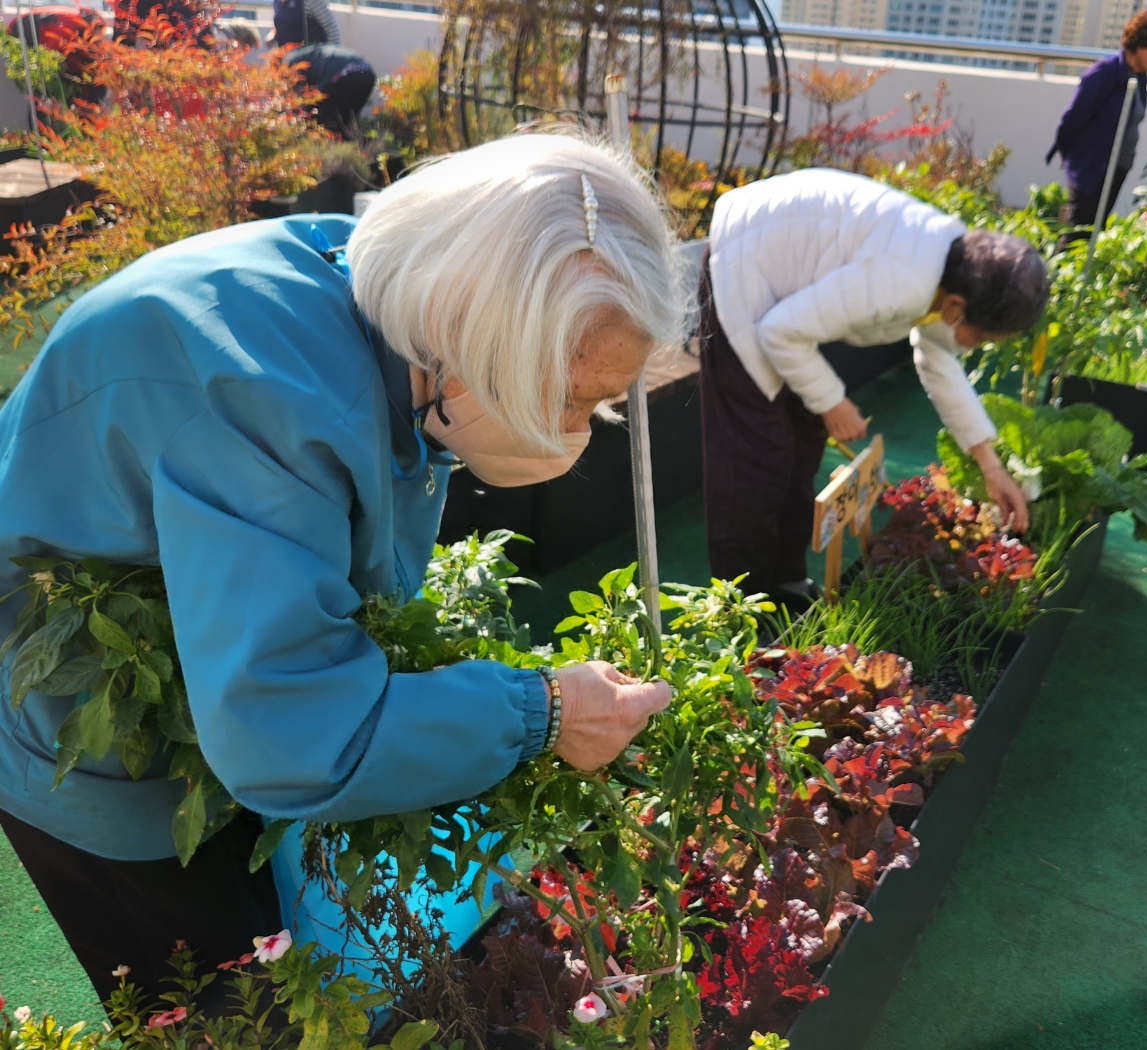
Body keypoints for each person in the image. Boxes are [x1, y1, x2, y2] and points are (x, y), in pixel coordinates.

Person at [0, 134, 680, 1003]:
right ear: (474, 329)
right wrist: (544, 710)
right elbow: (293, 733)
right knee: (219, 995)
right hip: (77, 721)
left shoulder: (398, 302)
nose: (578, 429)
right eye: (572, 396)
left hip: (201, 683)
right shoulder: (267, 398)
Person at [699, 167, 1050, 609]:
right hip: (743, 258)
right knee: (755, 454)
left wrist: (990, 465)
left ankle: (783, 581)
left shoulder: (959, 270)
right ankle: (740, 607)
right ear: (958, 307)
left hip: (786, 286)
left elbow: (937, 356)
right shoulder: (900, 279)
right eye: (979, 337)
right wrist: (832, 402)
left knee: (803, 440)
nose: (971, 345)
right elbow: (779, 332)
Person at [1046, 9, 1147, 243]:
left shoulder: (1139, 77)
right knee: (1078, 235)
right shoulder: (1105, 74)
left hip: (1117, 167)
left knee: (1095, 231)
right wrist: (1074, 160)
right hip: (1092, 169)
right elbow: (1072, 120)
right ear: (1143, 44)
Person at [283, 42, 376, 137]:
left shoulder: (292, 62)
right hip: (368, 73)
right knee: (347, 120)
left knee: (319, 114)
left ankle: (325, 142)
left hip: (341, 74)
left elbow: (301, 98)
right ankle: (352, 144)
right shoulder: (315, 51)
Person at [272, 0, 340, 47]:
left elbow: (331, 28)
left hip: (311, 61)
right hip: (286, 62)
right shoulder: (277, 2)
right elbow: (284, 23)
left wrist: (332, 60)